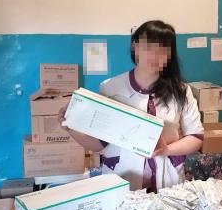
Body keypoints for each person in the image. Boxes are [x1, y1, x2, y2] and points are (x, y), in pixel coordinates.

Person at [59, 20, 203, 191]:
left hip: (168, 178)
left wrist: (166, 150)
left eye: (163, 50)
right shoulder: (111, 88)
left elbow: (196, 137)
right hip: (122, 175)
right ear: (135, 47)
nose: (155, 56)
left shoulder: (181, 91)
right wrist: (70, 128)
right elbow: (98, 144)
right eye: (149, 48)